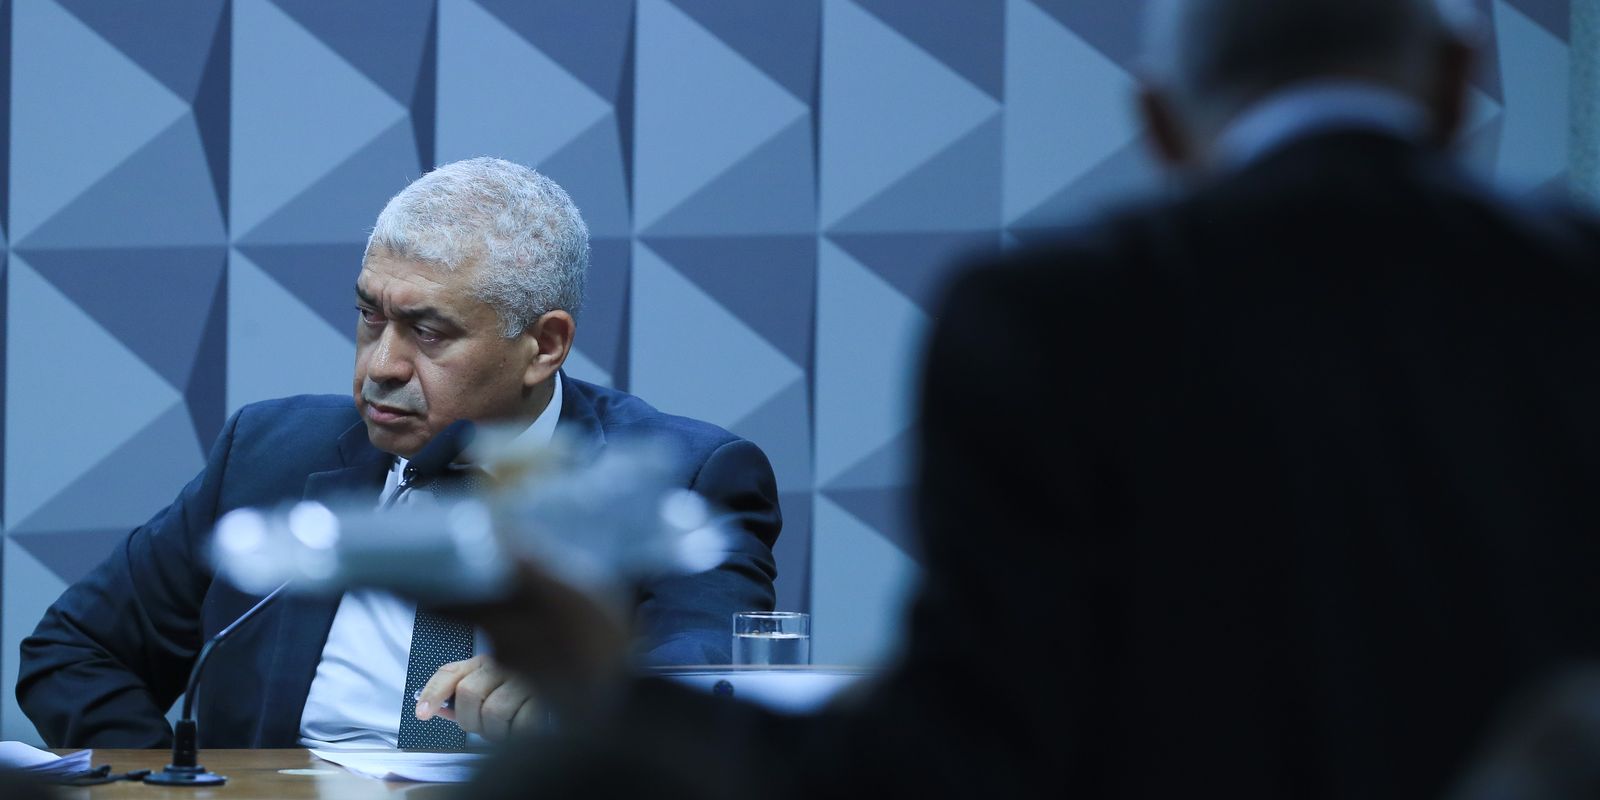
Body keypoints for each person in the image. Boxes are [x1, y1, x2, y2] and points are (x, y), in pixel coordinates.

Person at [450, 1, 1600, 798]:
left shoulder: (1054, 314)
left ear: (1159, 122)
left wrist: (603, 679)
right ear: (1456, 82)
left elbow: (957, 759)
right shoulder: (1574, 289)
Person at [15, 158, 782, 750]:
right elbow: (74, 651)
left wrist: (582, 683)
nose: (380, 365)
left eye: (428, 331)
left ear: (544, 345)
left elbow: (710, 678)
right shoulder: (267, 454)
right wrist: (177, 793)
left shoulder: (677, 477)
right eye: (369, 316)